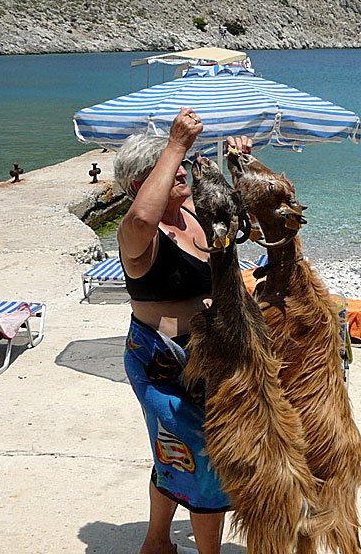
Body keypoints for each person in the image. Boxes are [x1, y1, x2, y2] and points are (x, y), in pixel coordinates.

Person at [115, 107, 252, 554]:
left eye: (181, 169)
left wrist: (239, 166)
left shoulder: (189, 214)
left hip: (209, 358)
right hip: (162, 363)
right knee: (205, 458)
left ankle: (157, 543)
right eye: (172, 170)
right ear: (142, 185)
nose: (183, 175)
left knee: (174, 453)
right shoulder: (139, 237)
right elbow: (139, 219)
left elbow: (232, 218)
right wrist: (174, 145)